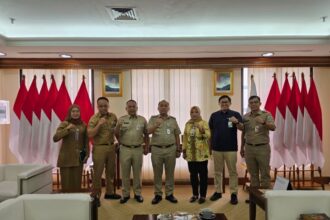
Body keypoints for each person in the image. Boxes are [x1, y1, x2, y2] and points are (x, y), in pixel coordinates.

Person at [208, 95, 243, 205]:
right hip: (216, 148)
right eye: (222, 102)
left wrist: (236, 122)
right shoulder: (214, 115)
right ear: (219, 103)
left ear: (230, 103)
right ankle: (218, 192)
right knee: (217, 172)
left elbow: (243, 128)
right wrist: (210, 147)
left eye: (226, 102)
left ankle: (233, 194)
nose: (224, 104)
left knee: (232, 172)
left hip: (231, 148)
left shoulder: (235, 114)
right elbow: (210, 132)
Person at [115, 100, 149, 204]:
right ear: (126, 108)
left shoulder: (142, 120)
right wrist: (120, 142)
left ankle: (138, 194)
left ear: (137, 107)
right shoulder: (121, 120)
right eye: (129, 107)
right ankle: (125, 195)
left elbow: (146, 134)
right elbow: (116, 133)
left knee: (137, 173)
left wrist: (146, 146)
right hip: (125, 149)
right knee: (125, 173)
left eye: (134, 106)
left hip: (138, 149)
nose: (132, 108)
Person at [88, 97, 120, 207]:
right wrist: (99, 124)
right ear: (97, 106)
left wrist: (119, 142)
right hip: (99, 148)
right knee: (97, 173)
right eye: (100, 106)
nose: (103, 108)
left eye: (105, 106)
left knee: (111, 172)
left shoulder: (113, 117)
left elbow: (116, 131)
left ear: (108, 105)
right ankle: (96, 196)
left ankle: (110, 193)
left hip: (111, 147)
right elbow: (90, 134)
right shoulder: (94, 119)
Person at [147, 100, 181, 204]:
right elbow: (147, 132)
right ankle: (158, 194)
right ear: (158, 108)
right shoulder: (153, 119)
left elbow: (177, 135)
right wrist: (156, 125)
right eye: (161, 106)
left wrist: (178, 148)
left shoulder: (173, 120)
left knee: (170, 173)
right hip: (156, 149)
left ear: (168, 108)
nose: (163, 107)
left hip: (171, 149)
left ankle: (169, 194)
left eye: (165, 106)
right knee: (157, 173)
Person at [240, 95, 275, 189]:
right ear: (249, 104)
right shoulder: (245, 117)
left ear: (260, 103)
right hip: (249, 148)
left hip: (262, 148)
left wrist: (263, 123)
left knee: (265, 173)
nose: (253, 104)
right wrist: (241, 147)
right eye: (251, 103)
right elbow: (243, 133)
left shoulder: (266, 114)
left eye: (256, 102)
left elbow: (273, 127)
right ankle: (254, 198)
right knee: (253, 174)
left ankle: (265, 198)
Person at [53, 104, 89, 192]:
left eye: (77, 111)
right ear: (70, 113)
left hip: (78, 158)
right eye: (73, 111)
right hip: (66, 158)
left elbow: (86, 142)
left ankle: (76, 203)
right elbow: (55, 138)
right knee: (66, 185)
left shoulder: (83, 125)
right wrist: (67, 129)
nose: (75, 113)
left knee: (77, 185)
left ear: (80, 113)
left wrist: (87, 155)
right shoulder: (65, 124)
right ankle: (66, 203)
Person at [182, 106, 211, 204]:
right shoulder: (188, 124)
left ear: (199, 113)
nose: (194, 114)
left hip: (202, 155)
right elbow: (185, 138)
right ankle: (195, 194)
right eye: (192, 112)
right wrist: (184, 150)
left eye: (196, 112)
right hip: (191, 155)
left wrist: (202, 130)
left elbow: (208, 136)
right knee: (193, 176)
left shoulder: (204, 123)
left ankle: (202, 196)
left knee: (203, 176)